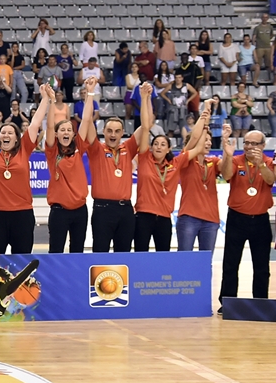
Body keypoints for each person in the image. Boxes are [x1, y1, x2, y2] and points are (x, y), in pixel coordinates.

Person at [0, 80, 51, 255]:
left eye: (10, 133)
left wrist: (45, 99)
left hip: (21, 213)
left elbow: (35, 123)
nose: (5, 135)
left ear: (17, 138)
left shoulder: (24, 148)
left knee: (22, 260)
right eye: (2, 132)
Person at [79, 76, 148, 252]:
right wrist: (90, 93)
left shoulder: (129, 147)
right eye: (109, 130)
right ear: (104, 132)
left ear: (122, 133)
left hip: (125, 210)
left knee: (123, 255)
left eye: (117, 131)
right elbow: (86, 122)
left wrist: (145, 98)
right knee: (100, 254)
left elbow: (146, 126)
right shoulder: (96, 149)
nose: (113, 134)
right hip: (102, 209)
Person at [218, 128, 275, 311]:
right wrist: (227, 155)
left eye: (254, 143)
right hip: (237, 219)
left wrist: (261, 165)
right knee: (230, 263)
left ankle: (260, 302)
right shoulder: (236, 160)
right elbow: (226, 175)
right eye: (247, 143)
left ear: (263, 145)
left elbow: (270, 180)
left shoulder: (268, 162)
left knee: (261, 265)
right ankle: (227, 302)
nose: (249, 147)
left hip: (260, 220)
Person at [44, 87, 89, 254]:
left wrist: (90, 94)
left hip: (80, 210)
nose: (66, 132)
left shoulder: (79, 148)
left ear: (73, 134)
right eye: (62, 129)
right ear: (57, 134)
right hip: (59, 212)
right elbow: (49, 126)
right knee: (55, 251)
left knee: (77, 252)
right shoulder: (52, 151)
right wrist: (50, 102)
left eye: (69, 130)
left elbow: (85, 121)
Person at [133, 84, 177, 252]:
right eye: (155, 144)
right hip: (143, 216)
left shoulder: (174, 165)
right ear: (151, 147)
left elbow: (193, 145)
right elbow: (146, 126)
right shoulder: (144, 158)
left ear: (168, 149)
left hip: (164, 218)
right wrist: (145, 98)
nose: (158, 147)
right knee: (140, 255)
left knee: (163, 258)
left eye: (162, 144)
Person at [176, 106, 221, 252]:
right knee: (184, 260)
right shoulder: (185, 159)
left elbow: (228, 171)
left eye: (209, 140)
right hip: (189, 217)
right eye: (205, 139)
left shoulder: (213, 161)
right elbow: (195, 137)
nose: (208, 143)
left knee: (206, 263)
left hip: (211, 219)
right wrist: (205, 117)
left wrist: (227, 149)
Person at [252, 12, 274, 81]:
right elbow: (254, 36)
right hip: (259, 47)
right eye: (263, 17)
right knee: (258, 63)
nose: (264, 19)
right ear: (261, 18)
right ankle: (258, 78)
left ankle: (269, 77)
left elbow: (271, 35)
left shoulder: (270, 27)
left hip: (268, 47)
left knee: (268, 63)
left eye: (266, 17)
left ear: (267, 18)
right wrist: (253, 45)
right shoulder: (257, 28)